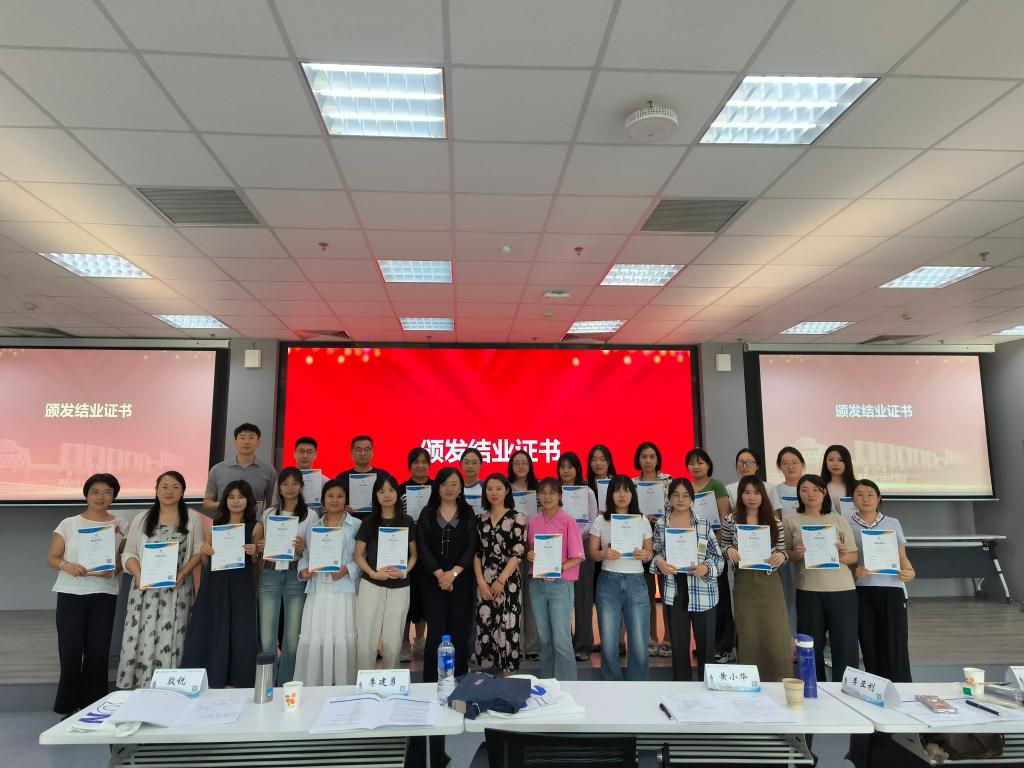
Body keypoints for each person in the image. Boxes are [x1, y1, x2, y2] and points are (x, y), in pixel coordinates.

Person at [47, 474, 128, 715]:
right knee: (70, 651)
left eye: (107, 492)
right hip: (71, 593)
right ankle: (68, 707)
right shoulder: (69, 523)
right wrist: (67, 565)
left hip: (104, 593)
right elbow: (52, 558)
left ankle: (94, 706)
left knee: (98, 652)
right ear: (86, 495)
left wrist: (117, 568)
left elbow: (124, 558)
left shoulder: (122, 524)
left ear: (113, 496)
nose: (100, 497)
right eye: (95, 491)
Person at [118, 471, 205, 689]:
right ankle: (140, 687)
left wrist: (184, 572)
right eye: (164, 486)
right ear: (156, 490)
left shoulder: (192, 518)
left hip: (178, 589)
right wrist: (139, 575)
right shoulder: (142, 518)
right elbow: (129, 553)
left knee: (174, 637)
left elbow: (198, 551)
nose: (169, 491)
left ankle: (171, 688)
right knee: (142, 636)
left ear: (183, 491)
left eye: (175, 487)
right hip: (144, 591)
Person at [181, 480, 262, 688]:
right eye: (231, 497)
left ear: (248, 500)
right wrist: (204, 551)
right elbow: (206, 562)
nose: (236, 501)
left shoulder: (256, 526)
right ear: (225, 500)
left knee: (240, 629)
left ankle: (239, 679)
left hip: (241, 584)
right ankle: (211, 677)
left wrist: (255, 553)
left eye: (241, 497)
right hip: (216, 583)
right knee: (213, 626)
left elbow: (256, 563)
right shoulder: (214, 526)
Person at [784, 474, 860, 681]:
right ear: (798, 494)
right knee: (810, 645)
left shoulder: (838, 520)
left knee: (845, 645)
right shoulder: (790, 520)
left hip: (842, 590)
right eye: (804, 490)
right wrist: (796, 554)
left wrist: (843, 556)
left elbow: (853, 556)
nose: (810, 494)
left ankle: (845, 687)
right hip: (808, 590)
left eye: (816, 489)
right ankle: (813, 688)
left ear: (824, 492)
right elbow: (786, 554)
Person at [720, 476, 793, 681]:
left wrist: (782, 556)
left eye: (756, 493)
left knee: (775, 632)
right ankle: (750, 680)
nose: (751, 497)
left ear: (763, 495)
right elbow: (723, 546)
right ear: (740, 495)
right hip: (743, 582)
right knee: (748, 632)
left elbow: (783, 551)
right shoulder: (731, 520)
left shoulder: (774, 521)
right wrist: (729, 550)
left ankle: (779, 680)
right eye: (747, 492)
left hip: (770, 582)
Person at [651, 477, 723, 681]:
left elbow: (718, 559)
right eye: (676, 495)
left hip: (703, 592)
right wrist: (659, 563)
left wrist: (706, 568)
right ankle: (682, 690)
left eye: (685, 495)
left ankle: (707, 691)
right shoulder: (661, 524)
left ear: (692, 498)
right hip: (675, 590)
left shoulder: (703, 524)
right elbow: (656, 552)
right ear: (669, 498)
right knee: (679, 648)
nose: (681, 500)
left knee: (706, 649)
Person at [294, 479, 362, 685]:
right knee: (317, 636)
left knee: (341, 637)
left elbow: (363, 557)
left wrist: (347, 569)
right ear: (323, 499)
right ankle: (315, 687)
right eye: (330, 496)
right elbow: (306, 556)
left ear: (346, 499)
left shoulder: (356, 525)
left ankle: (343, 686)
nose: (335, 500)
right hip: (318, 588)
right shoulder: (313, 526)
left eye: (340, 496)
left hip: (344, 589)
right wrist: (304, 570)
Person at [848, 479, 915, 682]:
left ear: (878, 498)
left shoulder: (892, 523)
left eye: (870, 494)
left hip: (892, 589)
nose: (865, 498)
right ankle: (875, 689)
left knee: (896, 645)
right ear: (853, 499)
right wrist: (854, 571)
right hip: (862, 590)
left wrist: (910, 571)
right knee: (869, 644)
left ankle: (902, 689)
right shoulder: (846, 524)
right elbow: (846, 560)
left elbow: (902, 557)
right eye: (860, 494)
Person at [590, 474, 653, 681]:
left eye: (626, 490)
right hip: (608, 582)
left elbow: (649, 553)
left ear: (633, 494)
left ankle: (638, 686)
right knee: (609, 644)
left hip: (636, 582)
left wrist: (645, 555)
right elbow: (593, 553)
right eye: (617, 490)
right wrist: (604, 553)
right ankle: (612, 686)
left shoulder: (642, 520)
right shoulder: (601, 520)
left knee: (639, 644)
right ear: (610, 494)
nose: (622, 495)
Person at [417, 467, 477, 681]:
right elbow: (423, 547)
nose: (449, 488)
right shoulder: (428, 512)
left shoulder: (468, 512)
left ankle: (459, 680)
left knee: (459, 632)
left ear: (461, 488)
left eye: (454, 484)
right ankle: (431, 683)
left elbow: (472, 546)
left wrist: (454, 574)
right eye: (444, 484)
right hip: (433, 582)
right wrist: (440, 574)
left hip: (461, 582)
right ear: (437, 487)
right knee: (436, 632)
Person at [353, 472, 417, 672]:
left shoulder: (407, 521)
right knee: (366, 639)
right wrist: (373, 573)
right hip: (371, 584)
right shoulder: (368, 521)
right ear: (376, 495)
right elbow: (358, 555)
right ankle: (364, 683)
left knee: (393, 641)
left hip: (400, 586)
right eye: (382, 491)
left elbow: (414, 555)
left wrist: (404, 572)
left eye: (391, 490)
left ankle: (392, 683)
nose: (387, 495)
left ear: (397, 493)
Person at [255, 468, 311, 686]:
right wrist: (261, 545)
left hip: (295, 575)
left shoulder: (311, 515)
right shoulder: (269, 513)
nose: (290, 488)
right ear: (279, 487)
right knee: (267, 637)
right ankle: (268, 684)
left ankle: (286, 684)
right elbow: (259, 542)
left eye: (295, 483)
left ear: (301, 487)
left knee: (292, 639)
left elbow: (315, 550)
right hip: (270, 574)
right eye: (285, 483)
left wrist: (304, 547)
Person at [526, 477, 585, 680]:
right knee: (544, 640)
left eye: (551, 492)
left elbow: (578, 556)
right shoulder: (533, 522)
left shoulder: (568, 520)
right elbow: (531, 551)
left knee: (561, 640)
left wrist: (558, 570)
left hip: (561, 585)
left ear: (560, 495)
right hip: (537, 585)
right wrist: (529, 555)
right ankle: (547, 685)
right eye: (543, 493)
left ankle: (568, 687)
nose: (547, 497)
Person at [473, 472, 527, 673]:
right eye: (489, 489)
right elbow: (476, 553)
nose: (493, 493)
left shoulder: (517, 518)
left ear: (506, 491)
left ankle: (507, 680)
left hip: (508, 583)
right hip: (484, 585)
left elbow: (518, 553)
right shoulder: (479, 519)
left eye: (498, 488)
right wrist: (481, 581)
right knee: (485, 630)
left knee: (508, 629)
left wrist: (501, 580)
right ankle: (487, 680)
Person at [685, 448, 734, 663]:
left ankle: (724, 647)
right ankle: (707, 645)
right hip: (692, 552)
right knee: (699, 601)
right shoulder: (686, 488)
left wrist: (714, 549)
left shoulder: (716, 486)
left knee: (720, 599)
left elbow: (723, 519)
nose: (696, 466)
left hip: (713, 550)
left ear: (708, 465)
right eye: (692, 463)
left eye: (700, 462)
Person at [558, 452, 599, 661]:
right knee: (561, 599)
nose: (566, 471)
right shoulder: (554, 491)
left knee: (583, 598)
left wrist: (573, 536)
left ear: (577, 469)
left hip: (582, 546)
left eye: (570, 467)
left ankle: (583, 645)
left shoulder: (588, 492)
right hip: (558, 548)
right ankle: (564, 643)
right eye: (562, 467)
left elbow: (593, 521)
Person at [632, 442, 671, 659]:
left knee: (667, 592)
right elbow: (628, 512)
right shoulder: (632, 484)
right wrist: (642, 518)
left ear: (658, 459)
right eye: (644, 456)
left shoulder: (668, 481)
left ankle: (668, 638)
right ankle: (650, 637)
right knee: (646, 594)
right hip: (642, 543)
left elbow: (677, 507)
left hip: (666, 542)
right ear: (638, 460)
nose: (648, 460)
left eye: (652, 456)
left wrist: (661, 518)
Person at [203, 423, 277, 514]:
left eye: (251, 438)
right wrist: (229, 504)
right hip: (224, 522)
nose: (246, 442)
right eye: (242, 438)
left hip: (255, 522)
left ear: (258, 442)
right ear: (235, 442)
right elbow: (207, 503)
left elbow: (272, 504)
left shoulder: (269, 470)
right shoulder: (217, 469)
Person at [508, 449, 540, 660]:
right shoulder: (505, 488)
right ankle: (515, 644)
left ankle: (533, 645)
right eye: (516, 463)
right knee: (514, 597)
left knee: (532, 596)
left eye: (524, 462)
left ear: (530, 465)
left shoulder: (538, 488)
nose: (520, 466)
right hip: (512, 548)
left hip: (535, 548)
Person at [400, 447, 432, 659]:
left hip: (430, 548)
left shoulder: (437, 488)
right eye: (416, 462)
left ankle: (420, 639)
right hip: (405, 549)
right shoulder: (400, 489)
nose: (420, 466)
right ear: (409, 465)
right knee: (406, 595)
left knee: (425, 594)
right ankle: (403, 641)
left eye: (424, 462)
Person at [335, 435, 379, 518]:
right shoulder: (341, 478)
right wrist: (341, 509)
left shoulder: (383, 476)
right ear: (351, 453)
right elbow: (334, 502)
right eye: (358, 450)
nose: (363, 453)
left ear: (372, 452)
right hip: (348, 522)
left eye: (367, 450)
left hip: (377, 522)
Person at [725, 448, 783, 512]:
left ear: (757, 466)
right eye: (740, 462)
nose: (744, 466)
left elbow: (775, 513)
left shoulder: (769, 487)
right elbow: (727, 514)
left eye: (749, 462)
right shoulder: (729, 488)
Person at [821, 444, 857, 516]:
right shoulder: (819, 486)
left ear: (847, 462)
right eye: (831, 460)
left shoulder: (857, 486)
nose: (835, 464)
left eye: (840, 460)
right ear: (825, 462)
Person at [775, 446, 805, 514]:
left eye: (794, 462)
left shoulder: (814, 488)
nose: (790, 467)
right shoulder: (775, 491)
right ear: (780, 467)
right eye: (785, 463)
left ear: (802, 465)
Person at [460, 447, 484, 514]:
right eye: (466, 462)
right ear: (461, 463)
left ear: (481, 465)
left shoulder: (486, 486)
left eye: (474, 463)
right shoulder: (456, 487)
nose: (470, 466)